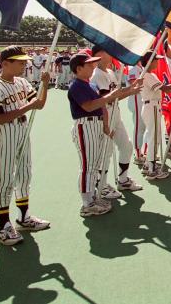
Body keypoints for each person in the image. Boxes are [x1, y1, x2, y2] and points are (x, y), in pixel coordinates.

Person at [0, 46, 51, 246]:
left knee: (24, 175)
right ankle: (3, 226)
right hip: (5, 135)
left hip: (22, 132)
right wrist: (29, 106)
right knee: (5, 179)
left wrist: (45, 85)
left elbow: (39, 104)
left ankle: (23, 217)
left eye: (24, 61)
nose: (24, 64)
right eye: (19, 61)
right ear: (5, 63)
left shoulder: (21, 82)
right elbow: (0, 118)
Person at [67, 52, 142, 217]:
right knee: (88, 166)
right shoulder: (76, 85)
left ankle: (93, 198)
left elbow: (101, 106)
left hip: (97, 124)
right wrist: (111, 96)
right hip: (85, 125)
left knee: (93, 164)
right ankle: (87, 203)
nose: (92, 66)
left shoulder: (89, 85)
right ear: (79, 69)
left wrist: (106, 124)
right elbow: (88, 106)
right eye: (88, 64)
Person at [89, 46, 143, 199]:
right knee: (106, 152)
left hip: (115, 114)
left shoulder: (110, 72)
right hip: (104, 116)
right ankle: (102, 185)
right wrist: (129, 91)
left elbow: (116, 96)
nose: (112, 54)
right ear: (99, 55)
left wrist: (131, 89)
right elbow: (107, 98)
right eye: (107, 51)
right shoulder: (97, 75)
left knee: (126, 145)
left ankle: (123, 179)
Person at [139, 50, 171, 179]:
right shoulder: (147, 75)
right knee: (154, 138)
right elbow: (165, 89)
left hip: (153, 105)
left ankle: (147, 165)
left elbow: (165, 89)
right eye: (155, 59)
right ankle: (151, 169)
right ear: (149, 62)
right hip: (152, 106)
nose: (158, 61)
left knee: (154, 136)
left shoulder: (150, 74)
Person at [127, 62, 146, 163]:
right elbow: (133, 83)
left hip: (142, 100)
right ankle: (138, 154)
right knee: (139, 127)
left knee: (142, 127)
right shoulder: (133, 67)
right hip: (136, 100)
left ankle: (141, 151)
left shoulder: (140, 66)